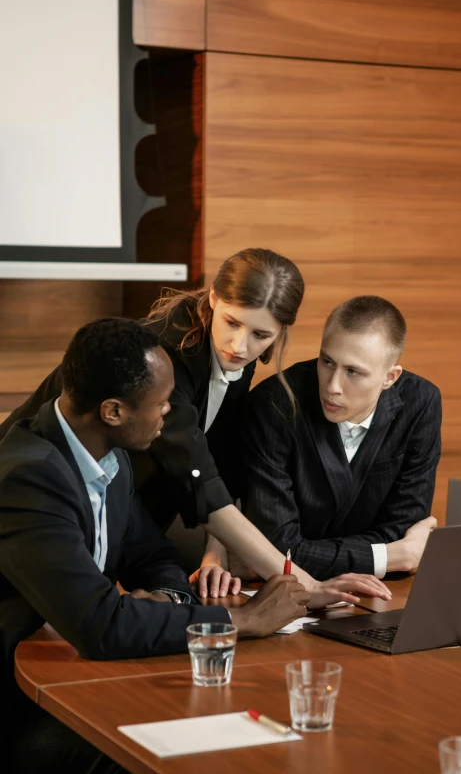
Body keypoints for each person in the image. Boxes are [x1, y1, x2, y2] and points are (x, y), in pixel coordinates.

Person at [0, 318, 313, 774]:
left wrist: (168, 595)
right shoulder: (27, 478)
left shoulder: (112, 457)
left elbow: (153, 554)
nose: (168, 413)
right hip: (21, 704)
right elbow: (102, 625)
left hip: (76, 676)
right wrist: (242, 619)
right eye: (161, 404)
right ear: (113, 411)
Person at [0, 250, 392, 609]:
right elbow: (198, 479)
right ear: (214, 299)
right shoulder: (165, 358)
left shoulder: (231, 353)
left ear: (280, 332)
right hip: (38, 494)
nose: (240, 345)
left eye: (260, 335)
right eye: (233, 323)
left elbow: (216, 460)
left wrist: (215, 553)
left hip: (120, 511)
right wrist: (307, 588)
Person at [241, 295, 441, 580]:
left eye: (353, 372)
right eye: (327, 362)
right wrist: (391, 556)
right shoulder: (274, 402)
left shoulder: (421, 402)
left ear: (390, 378)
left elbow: (403, 527)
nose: (332, 386)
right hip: (285, 593)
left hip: (381, 594)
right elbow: (278, 551)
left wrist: (310, 553)